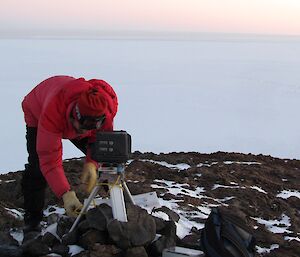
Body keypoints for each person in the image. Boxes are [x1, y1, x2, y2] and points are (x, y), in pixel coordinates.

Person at [21, 75, 118, 234]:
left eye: (90, 128)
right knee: (37, 166)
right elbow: (49, 160)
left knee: (107, 155)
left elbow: (101, 141)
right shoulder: (53, 112)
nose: (84, 132)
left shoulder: (104, 109)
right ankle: (32, 223)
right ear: (75, 115)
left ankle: (118, 204)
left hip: (69, 111)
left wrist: (92, 162)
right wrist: (65, 194)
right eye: (82, 127)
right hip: (38, 110)